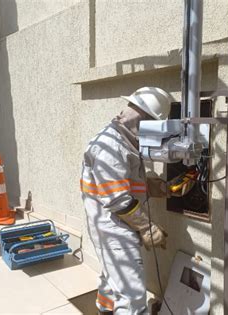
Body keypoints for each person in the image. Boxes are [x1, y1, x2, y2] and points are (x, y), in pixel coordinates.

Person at [81, 87, 172, 315]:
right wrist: (147, 227)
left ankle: (104, 310)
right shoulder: (110, 147)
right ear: (146, 121)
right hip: (113, 228)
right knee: (132, 297)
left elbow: (124, 183)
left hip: (111, 225)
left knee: (112, 278)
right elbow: (118, 200)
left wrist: (157, 187)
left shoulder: (123, 140)